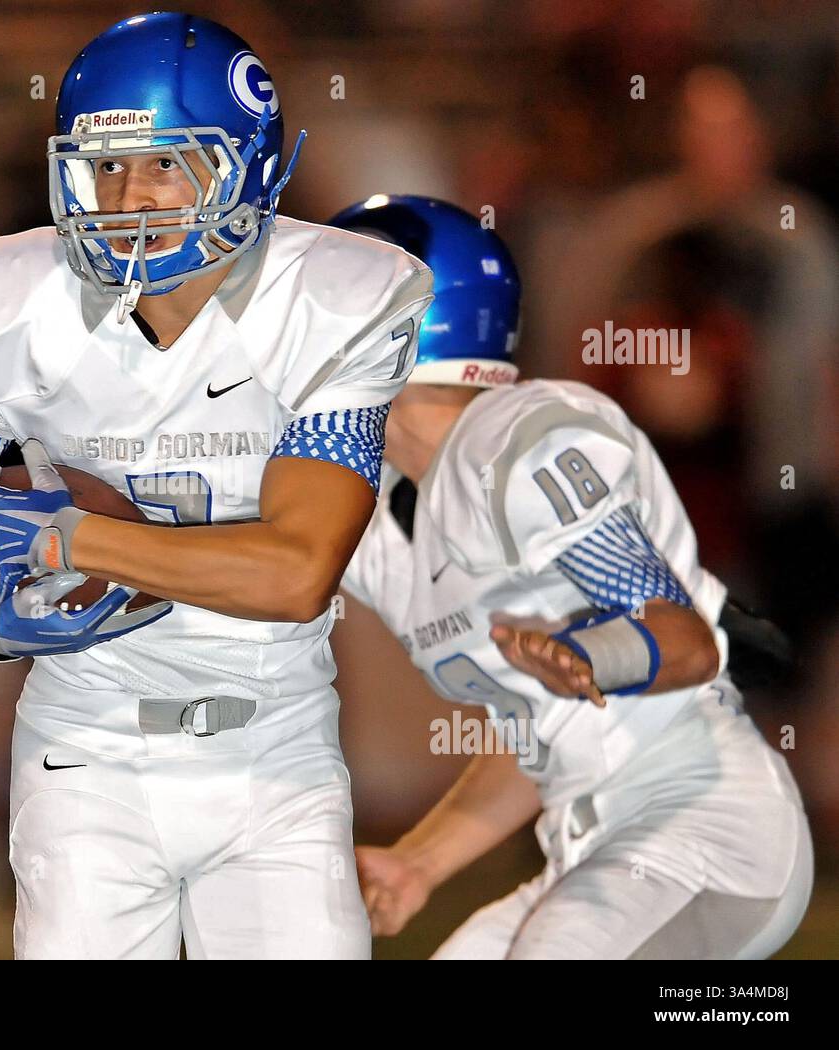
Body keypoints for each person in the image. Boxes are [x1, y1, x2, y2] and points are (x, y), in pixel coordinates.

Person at [0, 13, 433, 959]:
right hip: (86, 757)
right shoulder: (19, 306)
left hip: (273, 756)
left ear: (243, 164)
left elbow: (295, 572)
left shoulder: (328, 299)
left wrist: (68, 538)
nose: (124, 197)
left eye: (160, 165)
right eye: (104, 168)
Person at [338, 196, 812, 959]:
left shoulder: (518, 443)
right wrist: (418, 862)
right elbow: (549, 737)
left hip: (706, 827)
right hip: (593, 845)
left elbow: (685, 642)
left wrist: (590, 657)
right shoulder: (384, 513)